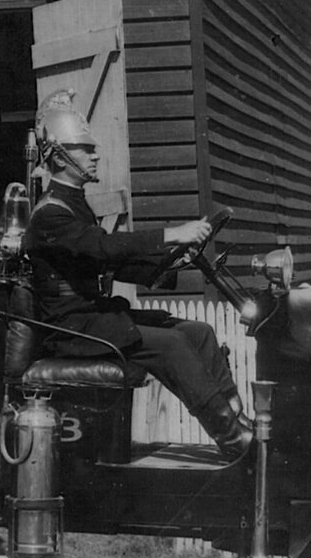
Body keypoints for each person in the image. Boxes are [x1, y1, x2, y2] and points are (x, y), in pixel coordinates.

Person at [23, 90, 255, 460]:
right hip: (71, 328)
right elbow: (102, 248)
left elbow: (105, 260)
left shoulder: (73, 204)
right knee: (172, 344)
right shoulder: (50, 213)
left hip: (93, 319)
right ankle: (233, 441)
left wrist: (171, 262)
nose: (96, 154)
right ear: (61, 156)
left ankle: (240, 423)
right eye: (86, 149)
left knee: (199, 332)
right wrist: (170, 234)